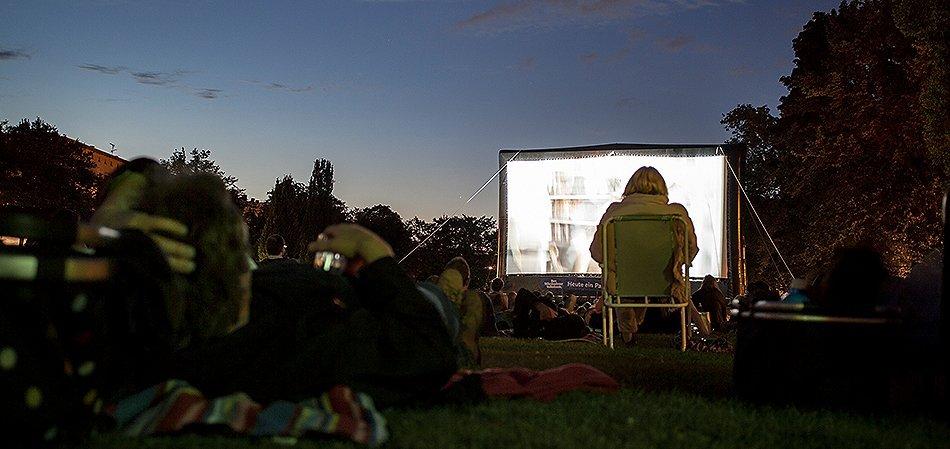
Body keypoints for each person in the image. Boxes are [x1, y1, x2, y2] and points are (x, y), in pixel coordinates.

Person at [589, 166, 710, 345]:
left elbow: (597, 252)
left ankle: (627, 330)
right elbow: (690, 251)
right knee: (662, 277)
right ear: (662, 187)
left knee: (617, 277)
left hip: (623, 283)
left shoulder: (614, 213)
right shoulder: (677, 213)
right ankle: (694, 329)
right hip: (666, 281)